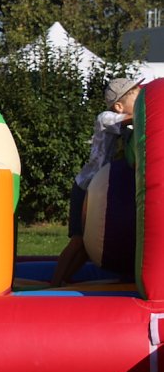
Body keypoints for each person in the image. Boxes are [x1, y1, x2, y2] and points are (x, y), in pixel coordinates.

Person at [50, 78, 142, 287]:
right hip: (86, 187)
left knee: (86, 246)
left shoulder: (124, 121)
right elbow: (131, 119)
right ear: (118, 105)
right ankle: (53, 283)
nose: (139, 105)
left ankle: (64, 280)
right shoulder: (106, 118)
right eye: (136, 99)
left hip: (101, 189)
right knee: (78, 240)